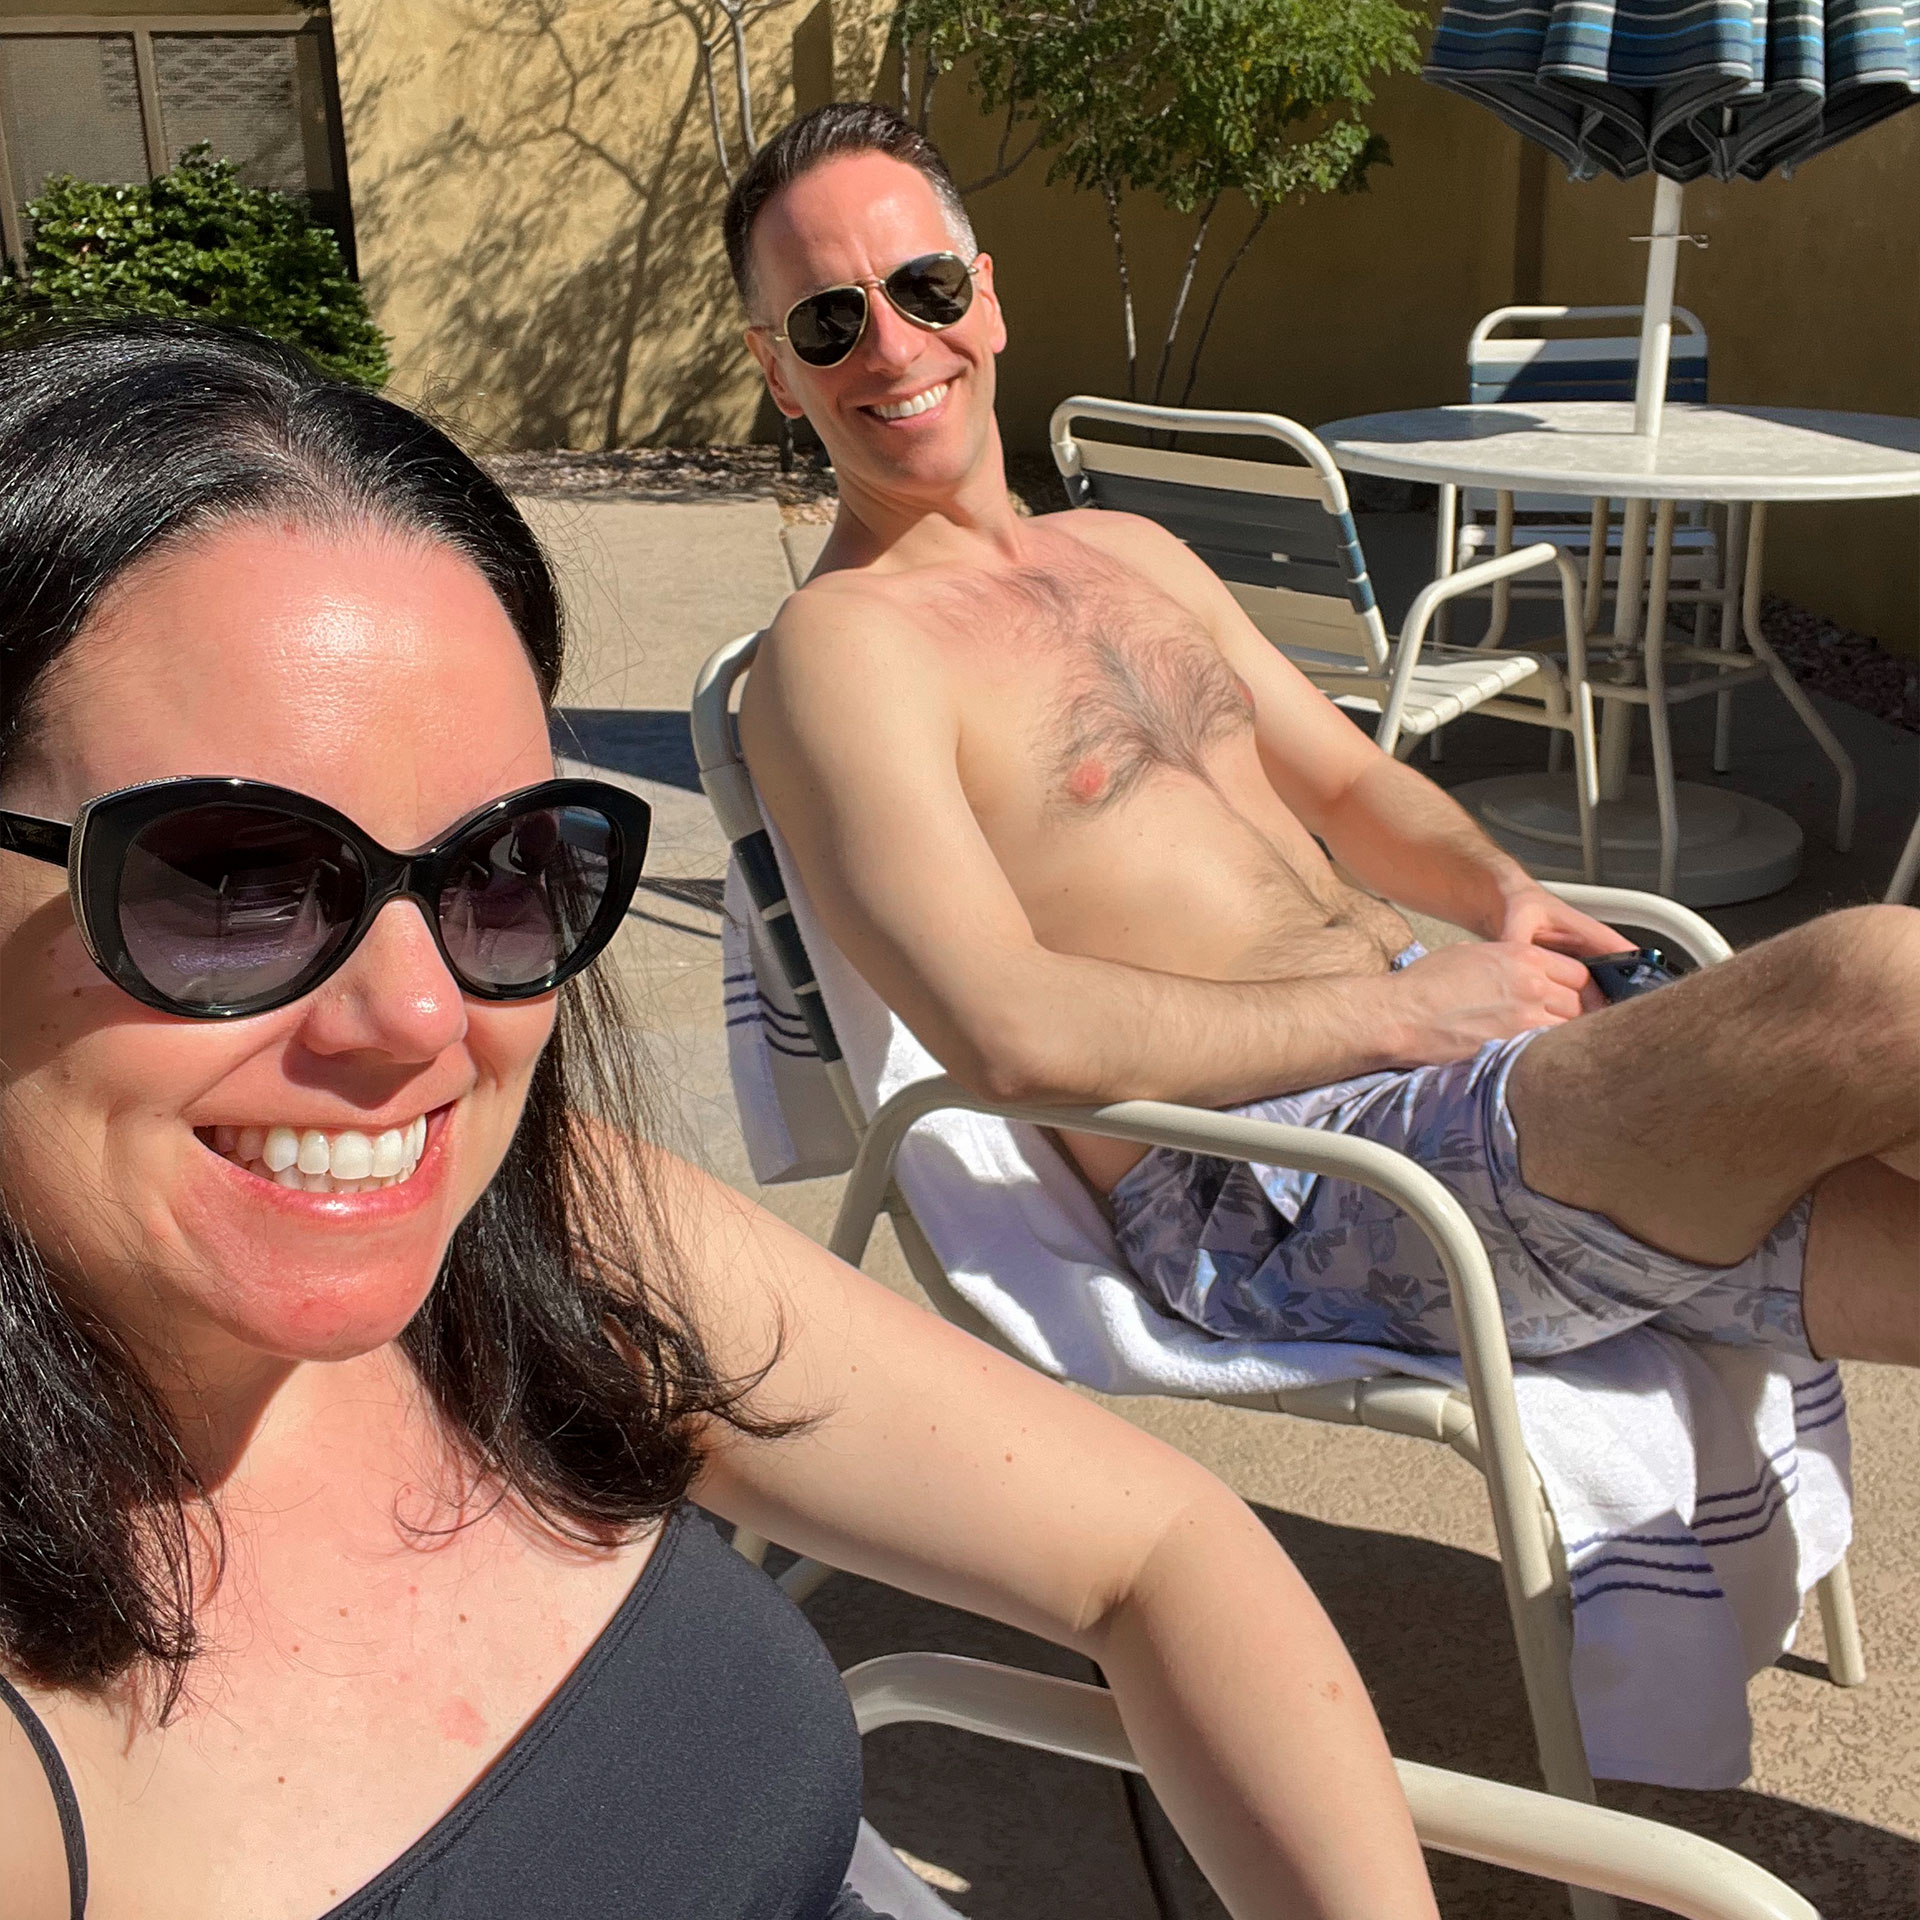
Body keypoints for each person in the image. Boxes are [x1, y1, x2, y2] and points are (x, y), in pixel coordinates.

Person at [0, 318, 1442, 1920]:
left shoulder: (543, 1241)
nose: (420, 1018)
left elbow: (1161, 1549)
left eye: (501, 872)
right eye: (232, 881)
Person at [729, 103, 1918, 1377]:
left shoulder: (1129, 552)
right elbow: (1007, 1029)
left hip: (1460, 1084)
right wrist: (1404, 1012)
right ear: (777, 370)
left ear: (988, 297)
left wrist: (1502, 893)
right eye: (829, 322)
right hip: (1275, 1186)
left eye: (924, 286)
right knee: (1879, 985)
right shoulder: (841, 651)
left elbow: (1347, 782)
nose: (892, 343)